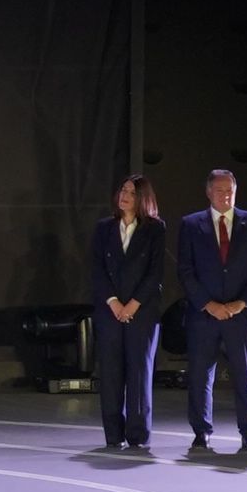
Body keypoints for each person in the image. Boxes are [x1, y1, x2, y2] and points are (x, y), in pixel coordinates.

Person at [173, 168, 247, 453]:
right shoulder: (191, 225)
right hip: (204, 316)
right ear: (208, 192)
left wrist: (241, 303)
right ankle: (201, 431)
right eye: (220, 190)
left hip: (243, 316)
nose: (226, 195)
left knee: (246, 376)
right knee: (201, 377)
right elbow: (185, 271)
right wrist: (209, 304)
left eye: (230, 190)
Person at [87, 176, 166, 450]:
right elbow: (97, 271)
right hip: (110, 312)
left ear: (143, 198)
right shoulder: (104, 229)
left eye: (132, 193)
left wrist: (132, 304)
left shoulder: (155, 229)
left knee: (139, 374)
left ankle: (138, 435)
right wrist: (114, 303)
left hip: (141, 313)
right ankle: (112, 435)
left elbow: (154, 273)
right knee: (110, 375)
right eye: (123, 190)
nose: (125, 196)